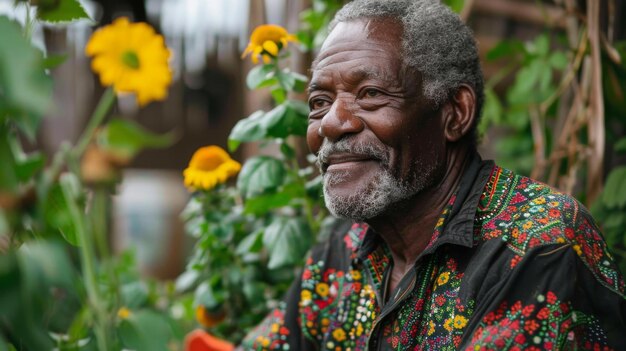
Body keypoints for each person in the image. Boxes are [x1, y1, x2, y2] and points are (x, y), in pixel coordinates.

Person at [238, 0, 626, 350]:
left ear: (455, 113)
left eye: (370, 93)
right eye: (319, 102)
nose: (332, 123)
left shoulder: (537, 243)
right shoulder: (343, 247)